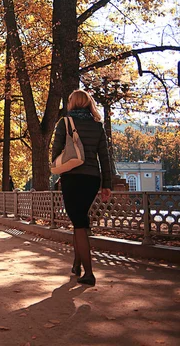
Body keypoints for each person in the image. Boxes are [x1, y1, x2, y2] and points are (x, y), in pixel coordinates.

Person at [51, 89, 112, 286]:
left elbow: (55, 151)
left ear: (72, 103)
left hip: (72, 178)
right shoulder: (97, 126)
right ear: (87, 103)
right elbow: (104, 157)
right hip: (92, 179)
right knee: (80, 220)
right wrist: (107, 185)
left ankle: (89, 273)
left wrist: (59, 167)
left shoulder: (65, 123)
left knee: (78, 223)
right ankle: (77, 264)